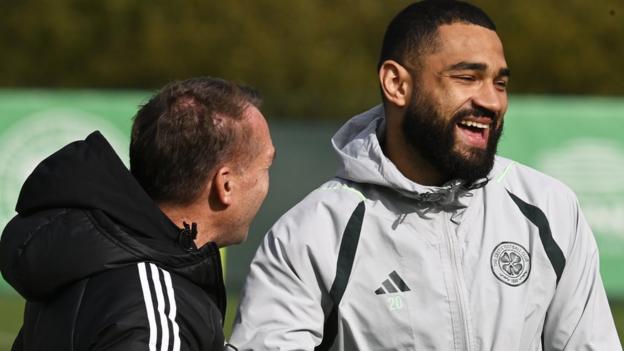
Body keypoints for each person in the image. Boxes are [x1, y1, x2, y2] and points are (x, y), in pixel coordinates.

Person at [229, 1, 621, 350]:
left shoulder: (549, 208)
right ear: (397, 84)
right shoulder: (312, 233)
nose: (491, 101)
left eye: (500, 82)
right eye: (466, 78)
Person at [0, 77, 275, 350]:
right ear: (225, 185)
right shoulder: (154, 314)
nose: (266, 182)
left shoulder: (89, 258)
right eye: (265, 166)